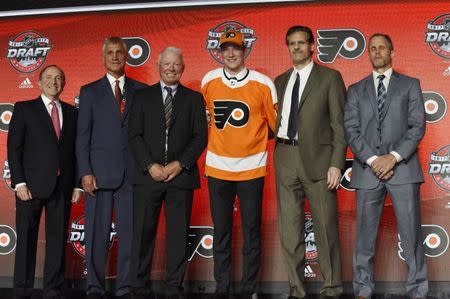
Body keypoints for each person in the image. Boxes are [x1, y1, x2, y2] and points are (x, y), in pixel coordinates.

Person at [344, 33, 428, 299]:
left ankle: (417, 290)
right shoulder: (356, 89)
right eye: (372, 48)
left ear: (393, 52)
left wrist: (392, 157)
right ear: (368, 53)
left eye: (382, 48)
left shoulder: (411, 85)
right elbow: (351, 129)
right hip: (368, 172)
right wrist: (372, 160)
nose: (377, 52)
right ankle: (363, 290)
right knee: (364, 240)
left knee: (412, 236)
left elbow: (417, 127)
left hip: (403, 170)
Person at [201, 29, 277, 298]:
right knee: (221, 232)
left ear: (245, 51)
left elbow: (274, 125)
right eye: (225, 49)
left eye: (236, 48)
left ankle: (249, 289)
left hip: (251, 169)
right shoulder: (208, 80)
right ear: (219, 52)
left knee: (251, 232)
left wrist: (250, 142)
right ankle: (222, 288)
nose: (231, 53)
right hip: (218, 168)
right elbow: (203, 122)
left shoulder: (263, 83)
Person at [128, 47, 207, 299]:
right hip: (147, 176)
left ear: (183, 68)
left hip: (181, 178)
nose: (171, 68)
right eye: (167, 64)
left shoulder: (194, 99)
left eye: (176, 65)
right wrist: (150, 166)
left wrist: (179, 164)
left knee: (178, 234)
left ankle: (174, 286)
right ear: (158, 65)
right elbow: (134, 135)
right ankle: (138, 285)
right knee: (142, 233)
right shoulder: (142, 96)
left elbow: (200, 137)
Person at [273, 25, 346, 299]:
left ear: (312, 46)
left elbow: (339, 126)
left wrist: (337, 163)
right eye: (291, 43)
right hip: (284, 156)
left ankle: (332, 288)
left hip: (319, 159)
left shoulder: (330, 77)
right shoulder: (280, 80)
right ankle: (296, 289)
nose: (296, 48)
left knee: (325, 228)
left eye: (301, 43)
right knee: (290, 231)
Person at [76, 37, 148, 299]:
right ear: (103, 57)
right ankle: (95, 287)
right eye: (110, 52)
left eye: (119, 52)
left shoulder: (142, 90)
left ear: (127, 56)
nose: (115, 56)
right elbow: (82, 136)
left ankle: (125, 287)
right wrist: (85, 171)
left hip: (132, 175)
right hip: (98, 176)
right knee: (96, 235)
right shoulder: (89, 91)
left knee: (129, 236)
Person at [7, 65, 82, 299]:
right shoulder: (24, 109)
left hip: (62, 187)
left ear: (64, 84)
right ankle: (22, 289)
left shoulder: (72, 113)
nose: (54, 82)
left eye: (59, 78)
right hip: (29, 188)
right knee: (27, 240)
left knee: (57, 240)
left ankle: (52, 289)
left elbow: (77, 151)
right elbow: (14, 148)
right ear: (39, 82)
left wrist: (78, 184)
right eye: (49, 78)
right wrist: (19, 183)